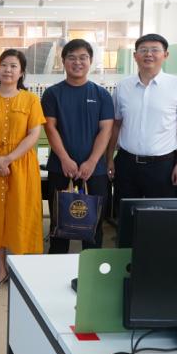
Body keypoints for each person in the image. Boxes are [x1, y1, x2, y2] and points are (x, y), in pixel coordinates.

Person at [0, 50, 46, 290]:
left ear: (21, 72)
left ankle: (18, 267)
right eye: (3, 65)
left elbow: (34, 134)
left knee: (19, 212)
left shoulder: (31, 100)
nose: (8, 70)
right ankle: (0, 270)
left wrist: (9, 159)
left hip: (21, 163)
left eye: (13, 66)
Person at [42, 39, 114, 253]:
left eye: (83, 57)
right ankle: (56, 268)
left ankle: (91, 270)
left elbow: (106, 130)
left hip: (95, 170)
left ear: (90, 61)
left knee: (93, 227)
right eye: (71, 58)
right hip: (61, 168)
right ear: (63, 61)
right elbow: (50, 128)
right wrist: (64, 159)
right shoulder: (52, 94)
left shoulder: (101, 94)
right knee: (59, 227)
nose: (77, 62)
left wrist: (92, 161)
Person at [108, 33, 177, 200]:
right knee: (125, 211)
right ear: (135, 56)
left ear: (165, 55)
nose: (148, 54)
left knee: (159, 213)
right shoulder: (123, 86)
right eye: (143, 50)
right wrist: (109, 158)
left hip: (163, 166)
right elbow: (115, 125)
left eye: (155, 50)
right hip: (126, 164)